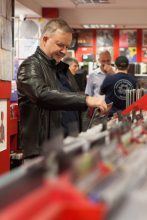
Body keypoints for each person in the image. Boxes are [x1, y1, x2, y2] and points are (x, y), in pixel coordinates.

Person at [17, 18, 108, 159]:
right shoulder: (30, 66)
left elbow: (72, 102)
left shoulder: (63, 70)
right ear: (45, 39)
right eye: (60, 45)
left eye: (67, 46)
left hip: (68, 145)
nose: (64, 51)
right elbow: (42, 95)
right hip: (43, 151)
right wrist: (86, 99)